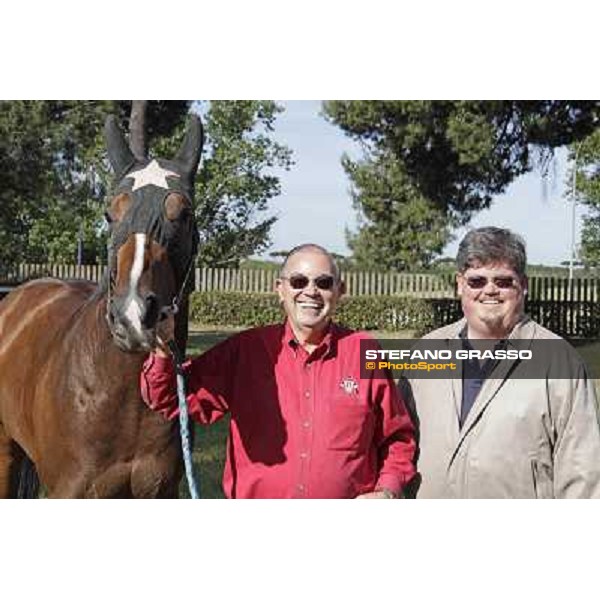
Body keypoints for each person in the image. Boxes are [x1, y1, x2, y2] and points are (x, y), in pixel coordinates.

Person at [141, 243, 416, 498]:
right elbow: (169, 397)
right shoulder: (244, 351)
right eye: (299, 281)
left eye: (323, 283)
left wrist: (387, 490)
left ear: (339, 291)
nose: (311, 291)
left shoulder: (365, 352)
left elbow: (397, 437)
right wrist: (162, 349)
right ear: (280, 289)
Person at [403, 226, 600, 498]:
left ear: (524, 285)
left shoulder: (560, 362)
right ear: (460, 284)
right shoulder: (427, 352)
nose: (490, 290)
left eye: (504, 281)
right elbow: (396, 443)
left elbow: (584, 474)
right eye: (477, 281)